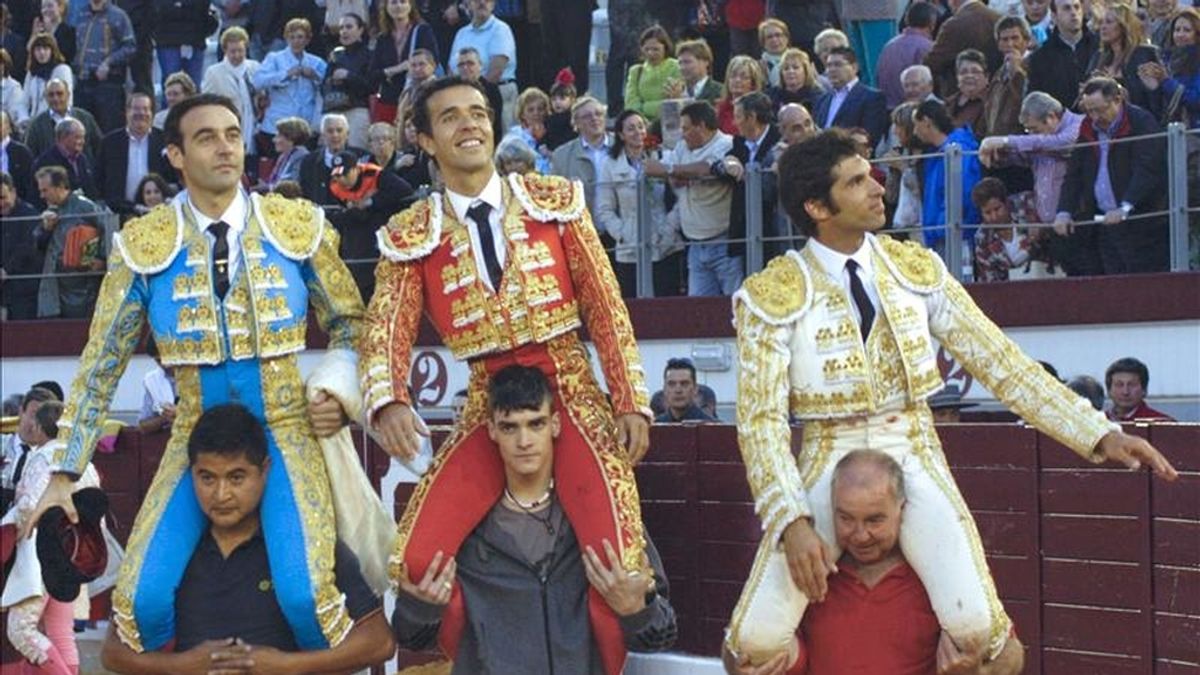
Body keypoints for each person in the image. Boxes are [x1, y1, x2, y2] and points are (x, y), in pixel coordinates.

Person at [723, 128, 1178, 670]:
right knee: (752, 644)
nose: (877, 188)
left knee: (980, 631)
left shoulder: (917, 270)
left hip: (911, 445)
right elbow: (761, 423)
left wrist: (1096, 430)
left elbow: (1000, 362)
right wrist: (791, 522)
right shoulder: (769, 295)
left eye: (870, 174)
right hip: (826, 454)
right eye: (856, 182)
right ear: (818, 206)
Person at [24, 92, 368, 656]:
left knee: (308, 595)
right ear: (176, 156)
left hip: (283, 429)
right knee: (141, 601)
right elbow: (101, 364)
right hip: (195, 438)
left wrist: (339, 389)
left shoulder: (295, 225)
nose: (225, 147)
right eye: (206, 137)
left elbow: (353, 326)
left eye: (233, 134)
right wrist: (65, 468)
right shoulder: (142, 245)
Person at [360, 76, 654, 675]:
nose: (469, 124)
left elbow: (605, 306)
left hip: (570, 389)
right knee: (417, 564)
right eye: (450, 118)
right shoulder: (410, 236)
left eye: (478, 113)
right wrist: (388, 399)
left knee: (621, 565)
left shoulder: (556, 199)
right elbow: (385, 326)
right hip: (488, 403)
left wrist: (630, 399)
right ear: (426, 140)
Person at [392, 365, 677, 673]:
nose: (524, 441)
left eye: (535, 424)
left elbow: (662, 637)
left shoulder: (597, 516)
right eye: (510, 427)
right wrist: (421, 608)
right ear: (491, 430)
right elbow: (411, 638)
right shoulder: (465, 528)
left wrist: (636, 611)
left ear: (555, 424)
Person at [101, 403, 396, 674]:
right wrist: (180, 666)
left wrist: (287, 666)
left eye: (237, 477)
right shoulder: (171, 552)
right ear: (191, 474)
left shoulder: (303, 545)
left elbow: (380, 641)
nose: (221, 495)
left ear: (265, 471)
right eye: (207, 478)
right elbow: (111, 652)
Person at [723, 450, 1026, 675]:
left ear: (902, 509)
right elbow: (734, 648)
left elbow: (1012, 652)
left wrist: (980, 673)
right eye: (846, 518)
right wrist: (741, 668)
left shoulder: (933, 571)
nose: (861, 535)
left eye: (875, 520)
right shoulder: (811, 568)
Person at [3, 400, 100, 675]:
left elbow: (29, 507)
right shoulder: (85, 463)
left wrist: (15, 530)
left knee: (20, 630)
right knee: (60, 630)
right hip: (76, 555)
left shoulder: (44, 457)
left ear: (38, 426)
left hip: (42, 552)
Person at [1054, 77, 1168, 275]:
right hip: (1105, 223)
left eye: (1100, 109)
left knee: (1145, 286)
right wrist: (1064, 211)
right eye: (1089, 111)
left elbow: (1148, 169)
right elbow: (1074, 173)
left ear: (1117, 100)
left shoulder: (1141, 122)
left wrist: (1126, 206)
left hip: (1143, 223)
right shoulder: (1088, 127)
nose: (1095, 117)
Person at [645, 100, 738, 297]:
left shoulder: (726, 144)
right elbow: (657, 168)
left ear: (702, 126)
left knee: (736, 306)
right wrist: (679, 173)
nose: (682, 133)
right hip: (694, 245)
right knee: (697, 311)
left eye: (686, 128)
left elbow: (707, 168)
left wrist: (675, 171)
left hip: (723, 243)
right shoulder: (682, 147)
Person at [594, 109, 686, 298]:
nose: (638, 132)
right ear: (620, 134)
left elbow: (682, 197)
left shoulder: (664, 157)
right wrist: (622, 233)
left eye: (641, 126)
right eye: (631, 129)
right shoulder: (610, 164)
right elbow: (605, 208)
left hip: (665, 243)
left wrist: (670, 228)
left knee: (667, 300)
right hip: (629, 247)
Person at [328, 149, 415, 299]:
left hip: (384, 225)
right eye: (337, 175)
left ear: (356, 169)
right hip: (358, 233)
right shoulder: (335, 186)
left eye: (345, 174)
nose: (341, 179)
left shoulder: (376, 174)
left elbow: (405, 190)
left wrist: (371, 202)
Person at [32, 165, 109, 318]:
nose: (41, 196)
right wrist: (46, 230)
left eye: (45, 190)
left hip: (82, 289)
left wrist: (102, 258)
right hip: (53, 290)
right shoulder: (49, 212)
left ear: (60, 186)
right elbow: (36, 244)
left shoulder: (85, 206)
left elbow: (108, 229)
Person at [912, 99, 982, 257]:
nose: (915, 132)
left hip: (953, 235)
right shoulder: (936, 153)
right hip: (941, 233)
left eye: (916, 125)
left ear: (926, 122)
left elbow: (961, 191)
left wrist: (941, 227)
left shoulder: (959, 150)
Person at [723, 91, 783, 262]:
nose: (734, 123)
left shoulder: (779, 138)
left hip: (774, 231)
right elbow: (719, 166)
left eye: (738, 117)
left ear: (752, 117)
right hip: (747, 232)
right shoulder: (739, 142)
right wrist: (728, 162)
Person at [97, 92, 172, 220]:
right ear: (127, 112)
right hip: (121, 215)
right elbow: (99, 179)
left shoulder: (164, 140)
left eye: (145, 109)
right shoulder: (109, 142)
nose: (141, 113)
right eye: (136, 109)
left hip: (157, 216)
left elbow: (173, 177)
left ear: (152, 113)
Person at [254, 18, 327, 147]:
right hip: (276, 124)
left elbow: (328, 84)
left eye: (300, 37)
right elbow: (258, 81)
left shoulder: (317, 62)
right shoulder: (275, 58)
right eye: (291, 37)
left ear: (307, 39)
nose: (296, 41)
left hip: (305, 125)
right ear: (286, 39)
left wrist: (314, 75)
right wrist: (286, 74)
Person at [449, 0, 517, 129]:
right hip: (464, 97)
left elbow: (496, 71)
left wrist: (475, 94)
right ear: (468, 4)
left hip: (498, 94)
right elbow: (452, 69)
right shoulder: (461, 33)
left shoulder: (501, 29)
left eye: (487, 0)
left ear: (493, 4)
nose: (482, 2)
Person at [970, 177, 1051, 282]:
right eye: (988, 213)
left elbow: (1053, 228)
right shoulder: (982, 238)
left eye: (997, 209)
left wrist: (1042, 231)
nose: (994, 217)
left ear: (1006, 203)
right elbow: (989, 279)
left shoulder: (1027, 204)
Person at [370, 0, 441, 119]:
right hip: (388, 101)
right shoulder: (382, 38)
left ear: (410, 6)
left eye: (403, 2)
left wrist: (388, 72)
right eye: (393, 2)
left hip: (416, 98)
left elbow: (433, 61)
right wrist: (396, 69)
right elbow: (372, 74)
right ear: (386, 7)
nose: (398, 6)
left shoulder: (422, 31)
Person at [201, 27, 262, 166]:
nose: (237, 55)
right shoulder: (214, 72)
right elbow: (206, 103)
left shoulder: (255, 68)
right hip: (227, 127)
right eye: (232, 51)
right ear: (225, 50)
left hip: (253, 127)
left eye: (241, 50)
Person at [72, 0, 135, 134]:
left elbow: (130, 47)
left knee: (109, 132)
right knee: (82, 131)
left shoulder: (118, 16)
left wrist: (109, 62)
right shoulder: (80, 14)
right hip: (83, 82)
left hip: (108, 84)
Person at [1086, 3, 1161, 114]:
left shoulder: (1145, 53)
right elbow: (1084, 99)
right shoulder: (1098, 57)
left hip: (1141, 120)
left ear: (1124, 25)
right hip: (1104, 121)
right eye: (1101, 22)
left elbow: (1157, 97)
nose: (1103, 27)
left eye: (1109, 22)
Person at [1026, 0, 1098, 111]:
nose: (1074, 13)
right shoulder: (1041, 57)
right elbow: (1036, 98)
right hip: (1060, 122)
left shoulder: (1099, 47)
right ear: (1054, 16)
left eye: (1077, 7)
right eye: (1066, 8)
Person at [922, 0, 1001, 98]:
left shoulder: (954, 24)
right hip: (995, 94)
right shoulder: (998, 18)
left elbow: (932, 63)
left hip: (961, 98)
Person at [1137, 8, 1200, 131]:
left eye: (1187, 30)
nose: (1180, 35)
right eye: (1177, 30)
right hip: (1167, 130)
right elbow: (1159, 107)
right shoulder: (1165, 60)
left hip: (1193, 131)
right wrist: (1153, 88)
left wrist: (1166, 81)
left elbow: (1195, 100)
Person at [813, 47, 889, 148]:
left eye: (838, 65)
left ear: (854, 67)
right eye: (828, 65)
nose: (832, 70)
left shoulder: (872, 98)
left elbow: (870, 137)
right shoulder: (822, 100)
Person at [322, 13, 373, 151]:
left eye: (349, 27)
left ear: (361, 30)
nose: (344, 31)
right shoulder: (336, 55)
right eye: (341, 27)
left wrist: (349, 76)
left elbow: (372, 86)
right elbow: (323, 85)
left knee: (356, 153)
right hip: (334, 110)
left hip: (357, 110)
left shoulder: (369, 55)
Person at [550, 97, 611, 211]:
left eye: (598, 114)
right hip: (580, 224)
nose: (594, 118)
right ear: (576, 123)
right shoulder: (561, 156)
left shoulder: (623, 147)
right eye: (587, 116)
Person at [24, 78, 102, 164]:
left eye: (60, 94)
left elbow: (99, 149)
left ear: (68, 95)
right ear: (45, 97)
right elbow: (29, 157)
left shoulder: (85, 118)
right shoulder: (36, 125)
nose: (55, 98)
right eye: (51, 95)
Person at [875, 2, 937, 110]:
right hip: (910, 113)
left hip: (885, 108)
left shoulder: (889, 45)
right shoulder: (926, 47)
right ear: (932, 24)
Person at [0, 387, 57, 502]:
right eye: (34, 415)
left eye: (44, 419)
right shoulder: (2, 443)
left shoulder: (52, 459)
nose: (37, 424)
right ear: (21, 412)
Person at [1, 171, 44, 320]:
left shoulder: (29, 214)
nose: (0, 204)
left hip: (24, 292)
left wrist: (5, 270)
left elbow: (27, 247)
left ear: (13, 192)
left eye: (3, 197)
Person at [983, 17, 1032, 139]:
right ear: (999, 44)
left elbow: (1027, 101)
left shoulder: (1035, 67)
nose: (1010, 44)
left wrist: (1017, 73)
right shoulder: (998, 74)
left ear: (1026, 41)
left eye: (1015, 38)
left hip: (1021, 143)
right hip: (998, 144)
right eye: (1005, 39)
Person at [299, 113, 362, 205]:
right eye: (330, 131)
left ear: (347, 134)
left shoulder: (361, 158)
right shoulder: (308, 161)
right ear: (322, 135)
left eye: (339, 130)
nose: (335, 135)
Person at [623, 25, 681, 127]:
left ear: (665, 48)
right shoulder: (635, 71)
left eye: (656, 49)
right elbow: (631, 103)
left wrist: (645, 106)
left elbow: (672, 103)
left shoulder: (676, 67)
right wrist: (642, 120)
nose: (650, 53)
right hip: (642, 126)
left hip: (670, 123)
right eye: (647, 49)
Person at [32, 117, 99, 202]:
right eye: (77, 137)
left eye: (83, 137)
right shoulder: (45, 163)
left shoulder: (82, 159)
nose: (82, 141)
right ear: (63, 137)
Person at [153, 0, 209, 95]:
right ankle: (170, 110)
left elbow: (204, 10)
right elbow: (157, 10)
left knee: (194, 87)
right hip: (167, 40)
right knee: (171, 84)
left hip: (195, 40)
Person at [22, 33, 72, 124]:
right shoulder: (32, 73)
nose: (42, 52)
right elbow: (24, 100)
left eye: (45, 49)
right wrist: (24, 119)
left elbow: (67, 100)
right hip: (33, 122)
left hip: (54, 122)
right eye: (38, 49)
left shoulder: (62, 69)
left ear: (52, 51)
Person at [1105, 357, 1175, 422]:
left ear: (1144, 390)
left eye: (1132, 385)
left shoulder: (1163, 423)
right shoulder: (1098, 423)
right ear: (1109, 390)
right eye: (1119, 385)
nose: (1125, 392)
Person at [716, 55, 767, 135]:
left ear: (753, 83)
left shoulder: (759, 110)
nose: (737, 80)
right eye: (733, 76)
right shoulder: (720, 108)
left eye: (744, 77)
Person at [506, 87, 553, 174]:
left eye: (540, 109)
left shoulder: (554, 130)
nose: (536, 113)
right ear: (523, 114)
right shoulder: (515, 135)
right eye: (530, 110)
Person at [945, 49, 989, 138]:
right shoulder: (947, 104)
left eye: (975, 72)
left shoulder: (992, 102)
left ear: (986, 77)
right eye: (963, 72)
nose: (969, 76)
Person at [258, 116, 310, 191]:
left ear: (291, 137)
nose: (274, 140)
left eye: (278, 136)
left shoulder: (301, 156)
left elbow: (291, 184)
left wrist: (266, 187)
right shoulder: (283, 156)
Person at [137, 337, 177, 434]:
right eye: (159, 360)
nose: (165, 365)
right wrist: (165, 417)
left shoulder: (199, 374)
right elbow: (143, 426)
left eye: (168, 358)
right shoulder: (152, 380)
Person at [655, 358, 714, 423]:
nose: (678, 390)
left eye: (684, 384)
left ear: (695, 389)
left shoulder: (713, 428)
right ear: (665, 390)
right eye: (672, 384)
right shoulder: (654, 428)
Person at [667, 39, 724, 104]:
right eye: (680, 63)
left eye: (687, 62)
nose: (682, 67)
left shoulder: (719, 91)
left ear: (705, 62)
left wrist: (680, 101)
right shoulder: (675, 92)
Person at [767, 48, 824, 112]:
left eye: (795, 67)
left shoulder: (818, 96)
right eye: (786, 68)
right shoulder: (771, 96)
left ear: (805, 71)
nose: (791, 71)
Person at [30, 0, 76, 66]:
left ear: (61, 8)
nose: (46, 10)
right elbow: (29, 52)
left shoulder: (69, 31)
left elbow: (64, 57)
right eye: (43, 7)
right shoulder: (40, 30)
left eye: (50, 6)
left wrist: (49, 32)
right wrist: (34, 34)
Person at [759, 18, 792, 87]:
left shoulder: (800, 60)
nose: (774, 40)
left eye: (778, 35)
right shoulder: (758, 67)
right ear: (763, 42)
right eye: (769, 37)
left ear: (786, 38)